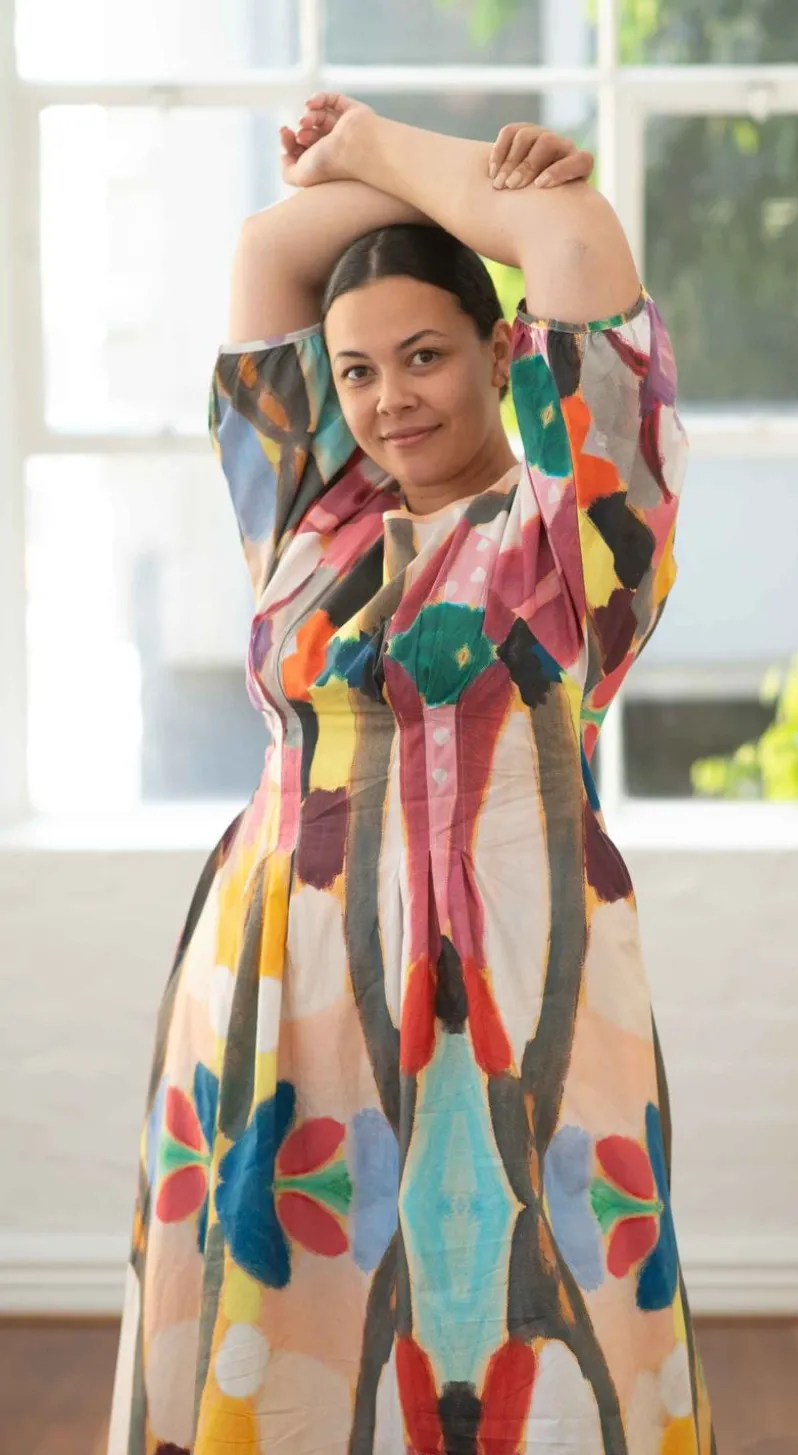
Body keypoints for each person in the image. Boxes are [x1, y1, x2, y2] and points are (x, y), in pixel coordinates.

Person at [106, 92, 715, 1455]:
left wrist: (379, 148)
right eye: (358, 371)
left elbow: (570, 240)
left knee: (535, 1318)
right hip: (280, 974)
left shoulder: (575, 535)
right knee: (283, 1327)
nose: (389, 401)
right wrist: (457, 183)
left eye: (426, 355)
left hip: (519, 982)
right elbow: (270, 249)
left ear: (503, 350)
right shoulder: (307, 513)